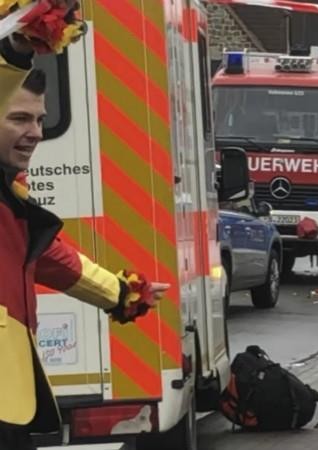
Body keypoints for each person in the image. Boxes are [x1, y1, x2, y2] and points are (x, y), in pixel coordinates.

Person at [0, 35, 167, 449]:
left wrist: (124, 293)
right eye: (19, 119)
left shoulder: (11, 197)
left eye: (39, 120)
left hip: (11, 397)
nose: (35, 133)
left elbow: (52, 259)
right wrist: (16, 48)